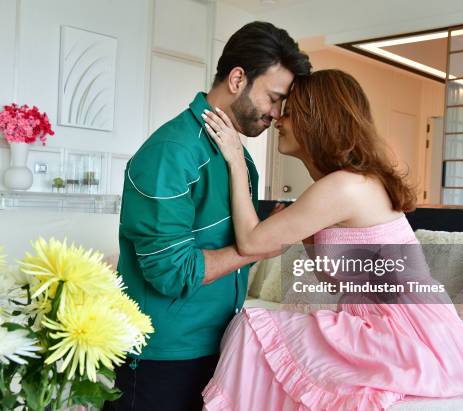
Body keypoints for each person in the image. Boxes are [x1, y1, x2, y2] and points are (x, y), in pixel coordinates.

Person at [202, 69, 463, 410]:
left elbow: (249, 243)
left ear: (315, 120)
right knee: (267, 337)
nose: (278, 118)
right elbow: (329, 276)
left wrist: (236, 161)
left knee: (252, 325)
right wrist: (301, 229)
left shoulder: (346, 186)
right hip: (396, 325)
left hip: (404, 333)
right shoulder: (345, 185)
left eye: (289, 112)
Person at [105, 22, 311, 411]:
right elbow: (171, 272)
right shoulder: (172, 151)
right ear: (237, 79)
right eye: (273, 97)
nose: (276, 114)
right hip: (163, 356)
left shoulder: (239, 159)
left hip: (220, 346)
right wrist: (260, 247)